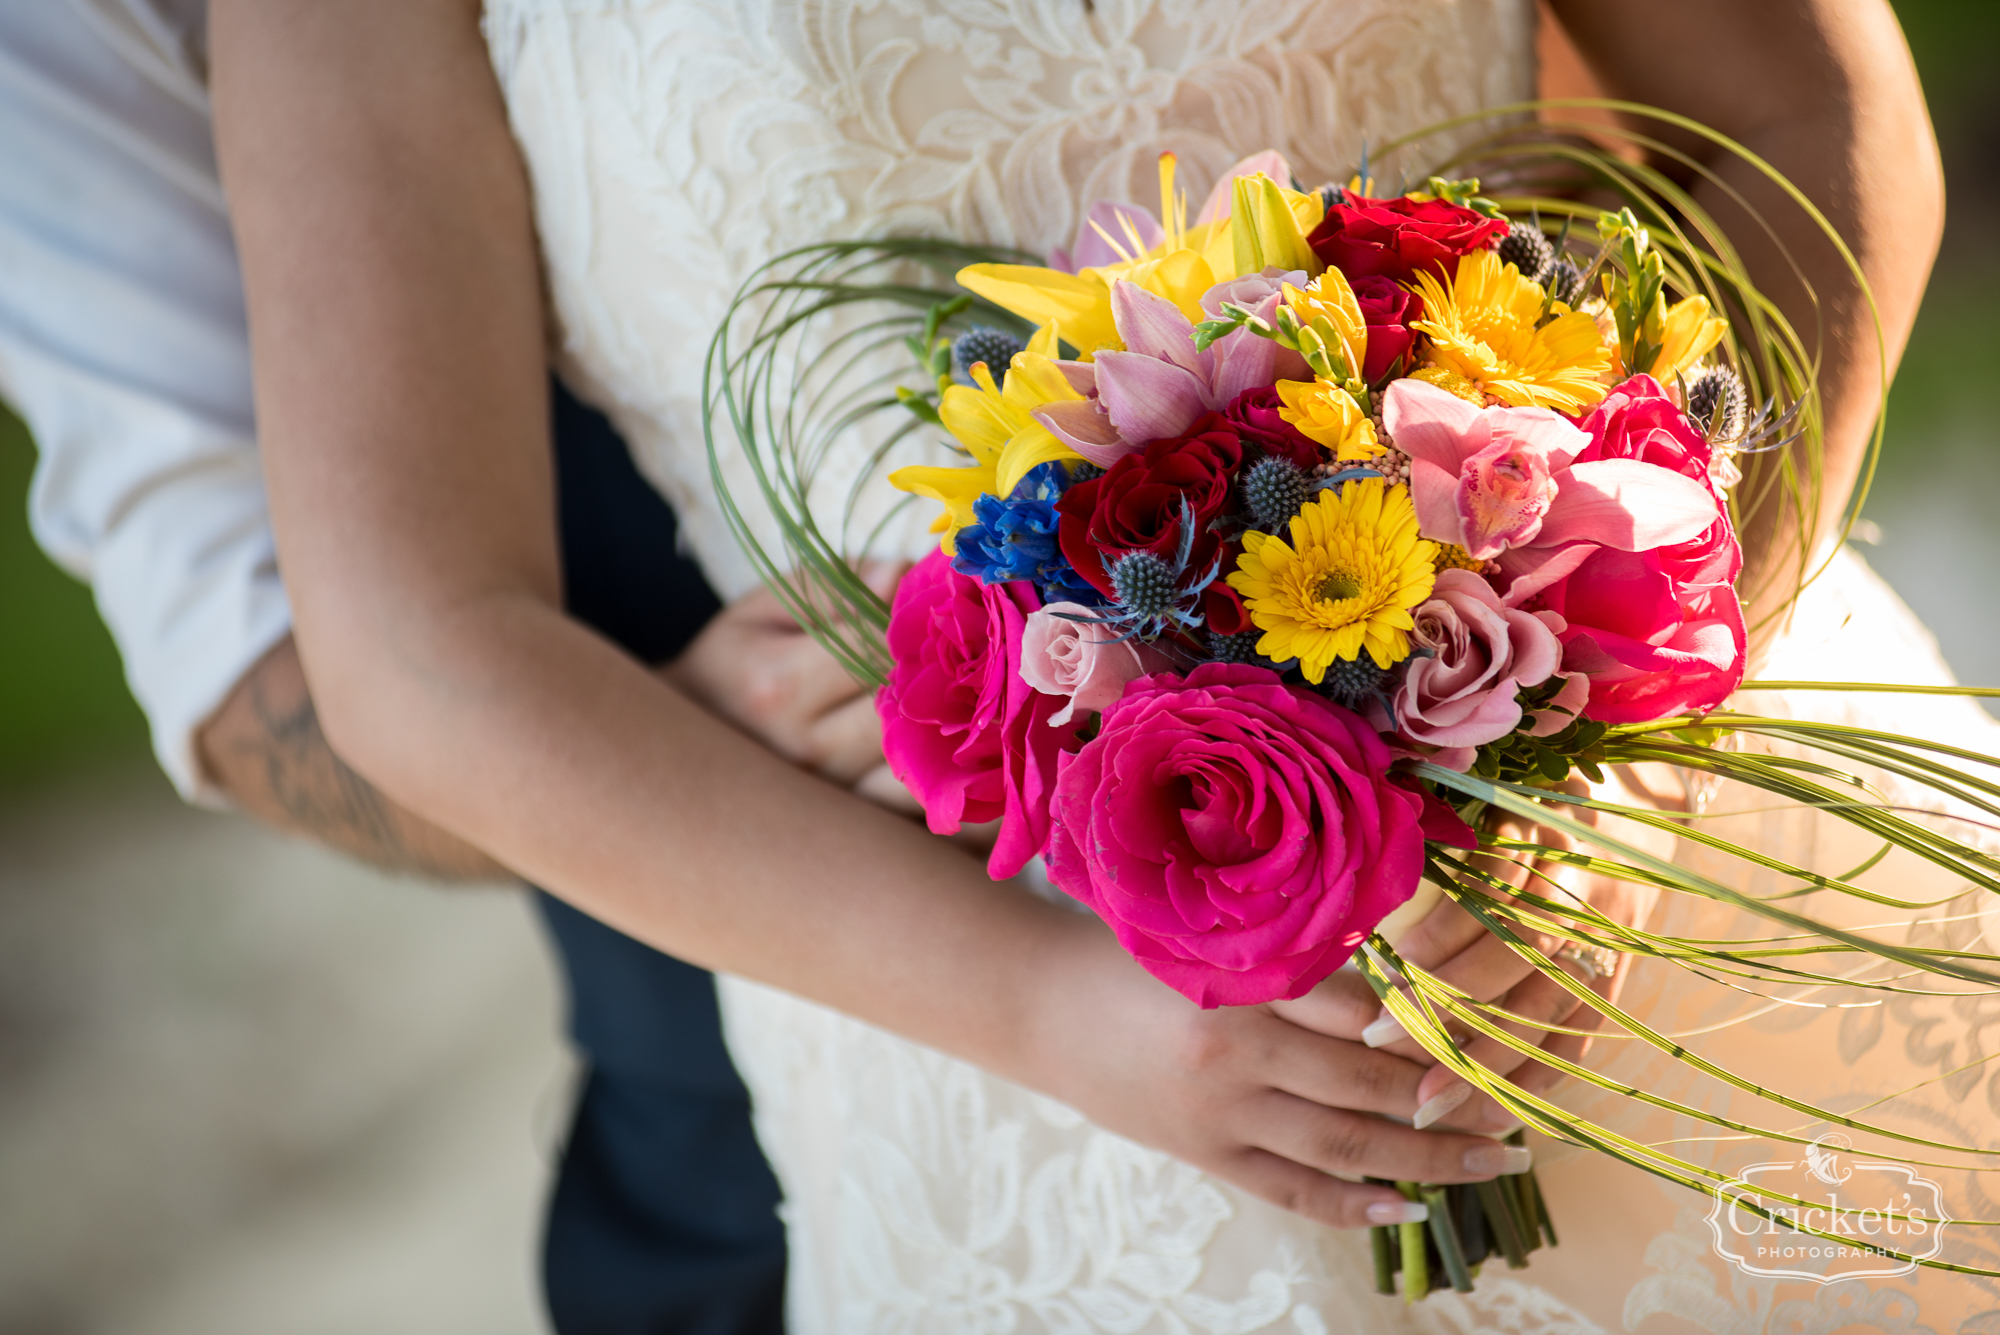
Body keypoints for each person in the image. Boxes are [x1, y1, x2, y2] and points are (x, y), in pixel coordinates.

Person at [1, 4, 1519, 1331]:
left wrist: (1624, 625)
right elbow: (366, 648)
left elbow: (1749, 120)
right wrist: (1054, 997)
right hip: (919, 993)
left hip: (1592, 842)